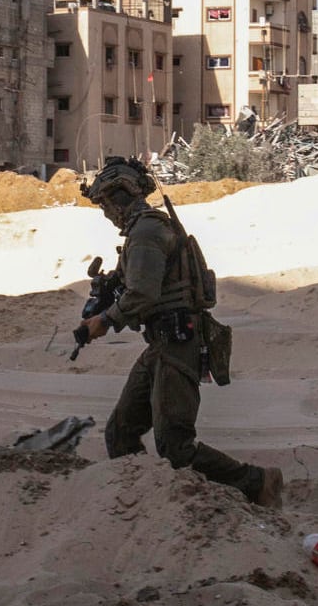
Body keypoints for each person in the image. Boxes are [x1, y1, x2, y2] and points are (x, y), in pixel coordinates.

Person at [78, 157, 284, 508]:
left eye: (105, 204)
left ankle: (258, 482)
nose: (106, 213)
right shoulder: (146, 230)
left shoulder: (146, 233)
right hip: (161, 344)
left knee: (175, 446)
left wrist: (105, 320)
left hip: (176, 343)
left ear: (118, 197)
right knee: (120, 433)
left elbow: (143, 293)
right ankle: (143, 501)